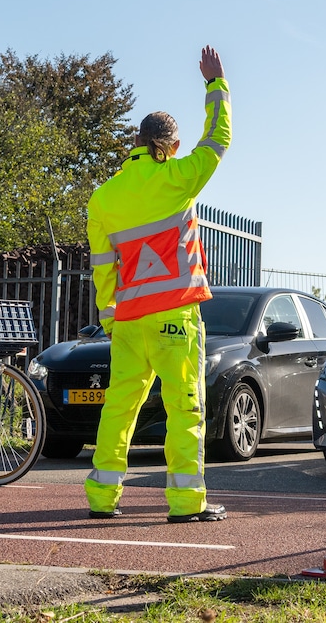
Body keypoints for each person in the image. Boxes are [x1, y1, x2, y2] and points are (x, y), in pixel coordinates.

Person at [83, 46, 231, 523]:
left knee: (119, 408)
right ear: (167, 146)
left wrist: (109, 317)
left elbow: (102, 266)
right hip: (175, 316)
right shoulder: (177, 178)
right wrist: (215, 85)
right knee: (184, 408)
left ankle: (102, 499)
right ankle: (187, 503)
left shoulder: (103, 198)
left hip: (127, 321)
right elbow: (218, 140)